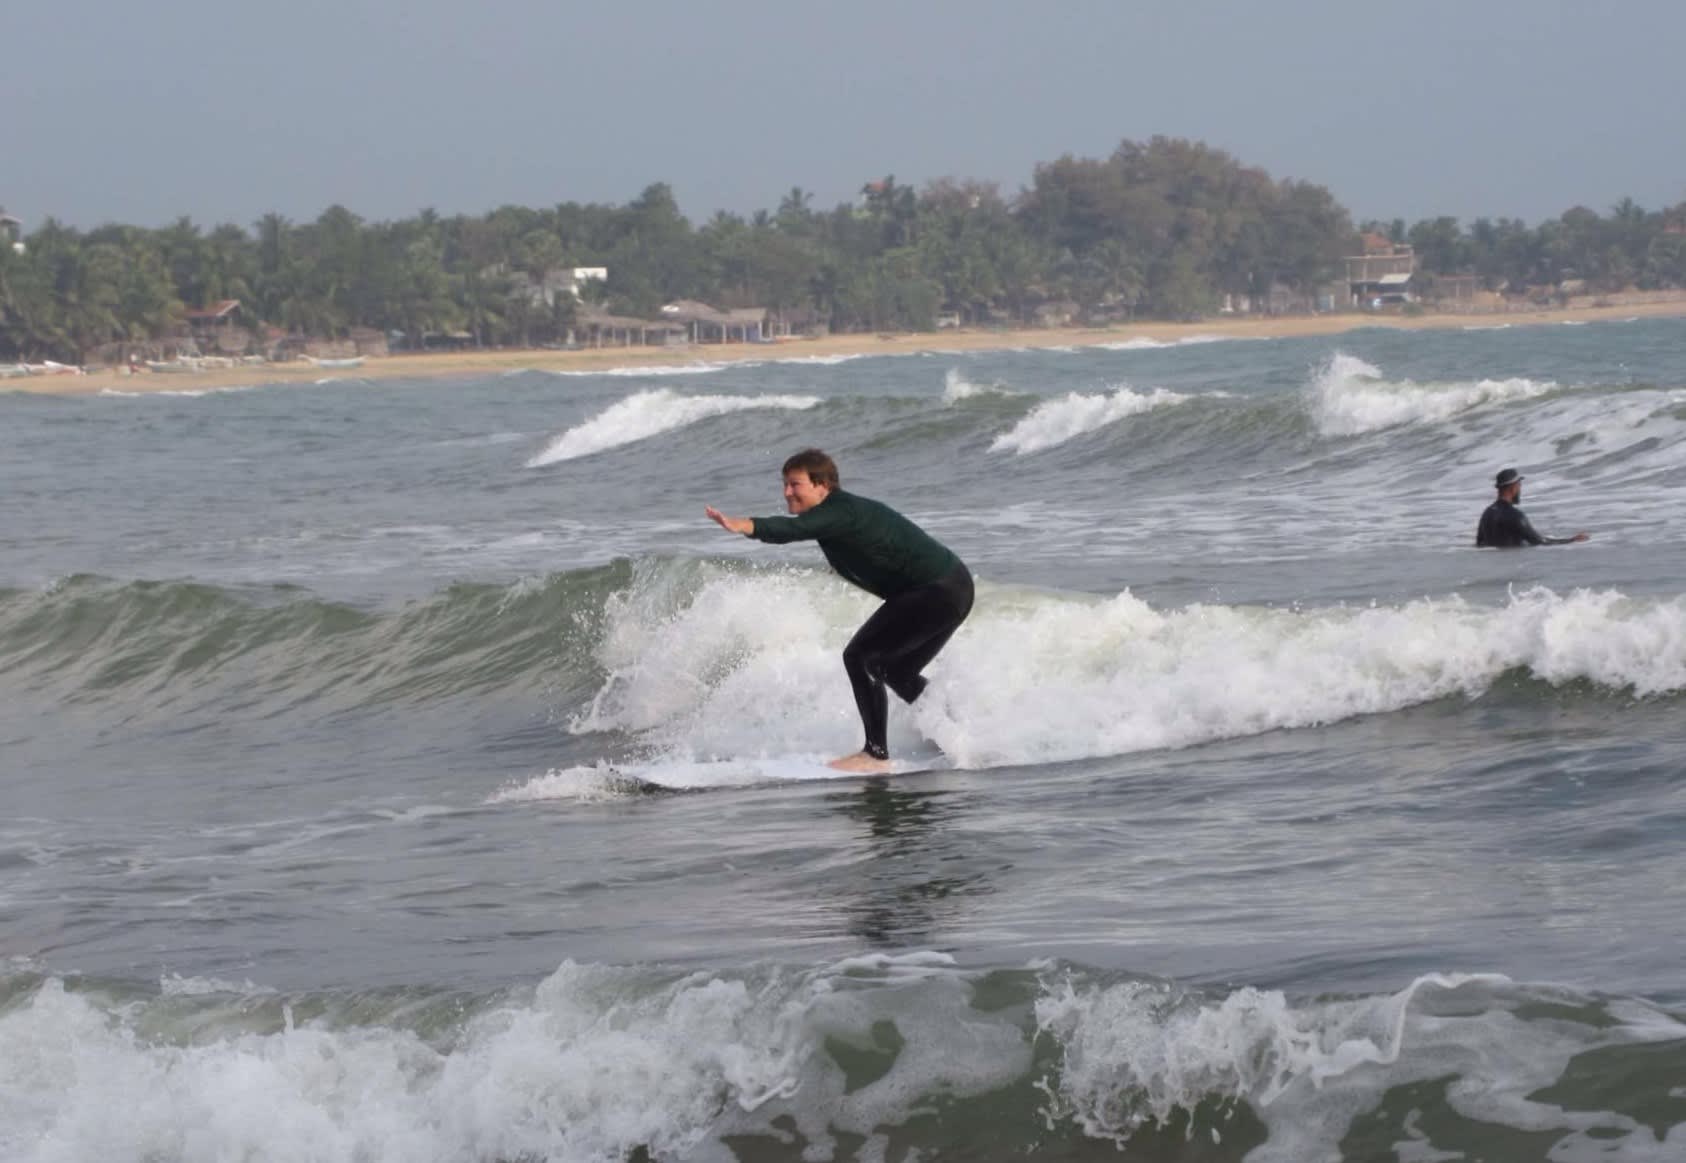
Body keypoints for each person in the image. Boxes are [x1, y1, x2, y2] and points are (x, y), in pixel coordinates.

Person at [706, 449, 974, 773]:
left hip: (936, 590)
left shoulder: (838, 511)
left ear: (822, 485)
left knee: (860, 657)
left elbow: (791, 530)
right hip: (952, 588)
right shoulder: (837, 514)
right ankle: (957, 738)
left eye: (795, 484)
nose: (787, 492)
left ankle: (875, 754)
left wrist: (744, 525)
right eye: (784, 484)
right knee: (895, 670)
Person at [1475, 468, 1590, 547]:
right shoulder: (1515, 516)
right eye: (1519, 485)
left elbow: (1479, 544)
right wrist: (1572, 540)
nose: (1520, 489)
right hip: (1511, 567)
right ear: (1513, 487)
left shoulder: (1487, 514)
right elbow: (1540, 542)